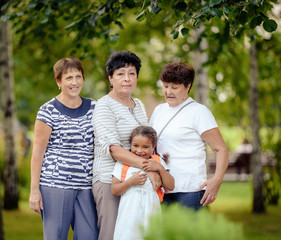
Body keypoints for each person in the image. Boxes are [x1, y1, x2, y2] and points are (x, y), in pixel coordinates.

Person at [92, 50, 161, 240]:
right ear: (111, 78)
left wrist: (155, 169)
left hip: (137, 180)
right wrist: (150, 168)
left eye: (132, 73)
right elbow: (113, 149)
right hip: (109, 180)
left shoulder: (137, 104)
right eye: (120, 74)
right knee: (112, 235)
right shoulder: (104, 106)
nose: (127, 78)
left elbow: (147, 142)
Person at [29, 57, 98, 240]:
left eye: (78, 77)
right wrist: (34, 190)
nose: (74, 82)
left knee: (89, 235)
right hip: (55, 185)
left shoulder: (94, 107)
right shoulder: (48, 110)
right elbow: (38, 152)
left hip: (85, 185)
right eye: (68, 78)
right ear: (58, 81)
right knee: (56, 236)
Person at [150, 62, 229, 210]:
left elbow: (221, 149)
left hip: (190, 191)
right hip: (162, 189)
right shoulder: (158, 110)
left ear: (188, 86)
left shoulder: (199, 112)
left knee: (188, 234)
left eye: (174, 87)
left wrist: (217, 180)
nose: (168, 92)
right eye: (165, 86)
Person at [111, 126, 175, 240]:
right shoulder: (123, 163)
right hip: (129, 215)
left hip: (151, 213)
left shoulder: (157, 162)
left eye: (145, 147)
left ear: (153, 147)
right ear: (130, 144)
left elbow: (171, 185)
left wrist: (160, 168)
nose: (139, 151)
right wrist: (130, 182)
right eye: (135, 146)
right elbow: (114, 190)